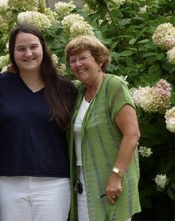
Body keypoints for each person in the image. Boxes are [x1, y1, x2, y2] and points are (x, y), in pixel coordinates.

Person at [0, 23, 77, 221]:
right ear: (13, 53)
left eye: (33, 47)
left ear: (43, 49)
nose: (28, 53)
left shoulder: (64, 88)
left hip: (54, 181)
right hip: (8, 180)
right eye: (21, 48)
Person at [65, 35, 141, 221]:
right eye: (72, 60)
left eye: (83, 58)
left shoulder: (113, 86)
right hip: (84, 180)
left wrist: (116, 175)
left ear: (99, 60)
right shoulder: (78, 90)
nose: (77, 64)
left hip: (113, 180)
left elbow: (132, 134)